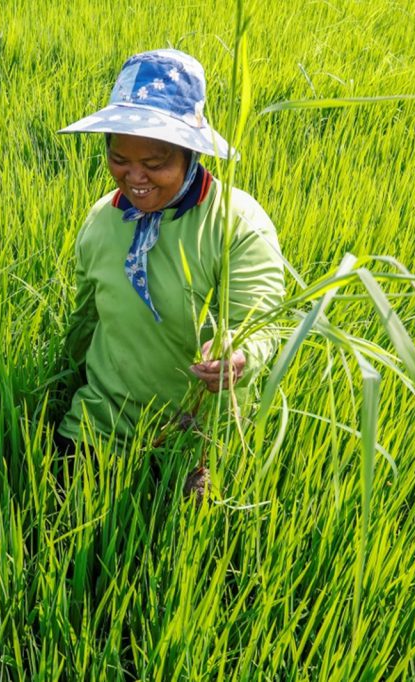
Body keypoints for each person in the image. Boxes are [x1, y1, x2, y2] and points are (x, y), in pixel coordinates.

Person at [54, 49, 286, 450]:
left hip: (200, 430)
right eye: (119, 159)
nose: (135, 177)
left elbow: (263, 318)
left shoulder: (236, 223)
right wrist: (63, 375)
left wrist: (240, 353)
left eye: (155, 162)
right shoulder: (101, 221)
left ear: (190, 154)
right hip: (103, 418)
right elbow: (87, 316)